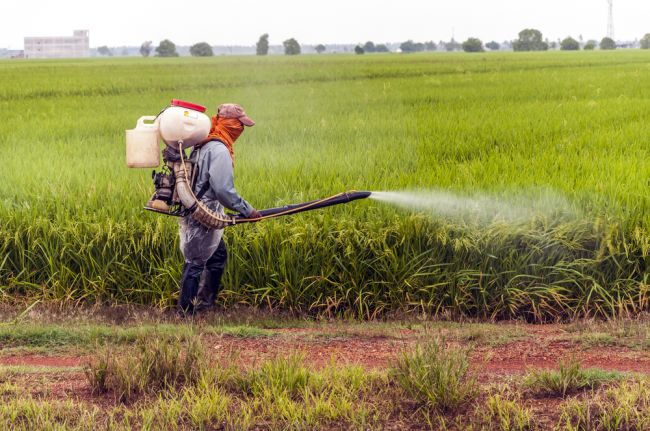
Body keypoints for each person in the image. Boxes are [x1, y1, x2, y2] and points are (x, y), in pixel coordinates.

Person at [178, 103, 261, 314]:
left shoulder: (203, 143)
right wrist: (247, 210)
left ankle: (205, 306)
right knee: (195, 262)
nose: (240, 130)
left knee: (216, 256)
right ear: (231, 124)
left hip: (197, 209)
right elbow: (223, 190)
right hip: (203, 214)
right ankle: (185, 313)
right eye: (239, 125)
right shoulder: (219, 149)